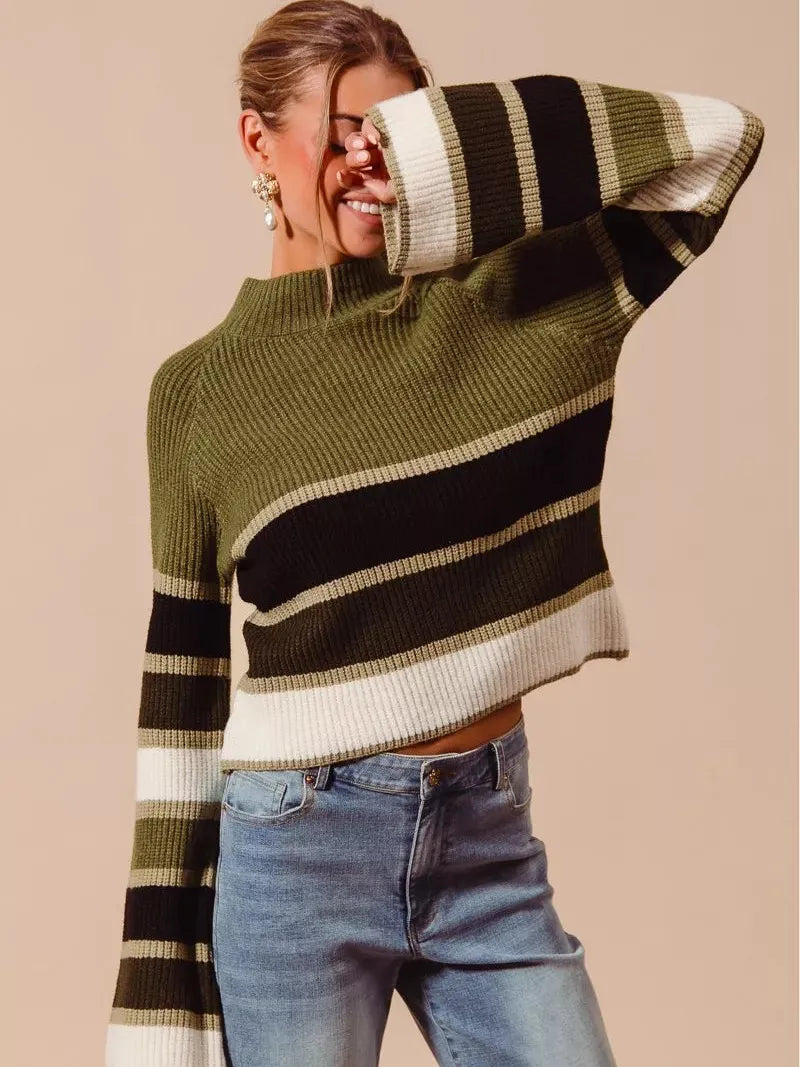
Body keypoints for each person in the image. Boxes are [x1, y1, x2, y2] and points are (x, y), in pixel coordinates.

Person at [104, 2, 765, 1065]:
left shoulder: (509, 303)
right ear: (257, 142)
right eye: (344, 133)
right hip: (296, 853)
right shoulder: (198, 393)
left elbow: (716, 144)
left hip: (485, 838)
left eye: (399, 134)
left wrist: (448, 153)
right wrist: (154, 1007)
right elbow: (180, 693)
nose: (370, 165)